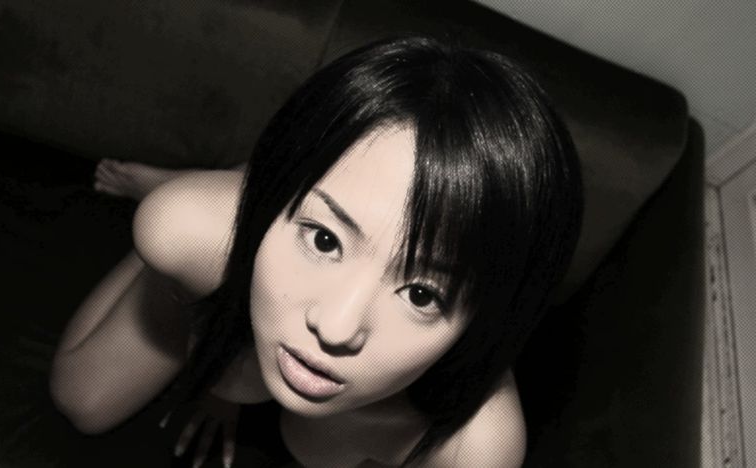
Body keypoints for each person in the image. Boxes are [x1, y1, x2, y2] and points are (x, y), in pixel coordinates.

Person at [49, 35, 583, 468]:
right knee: (83, 402)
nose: (335, 326)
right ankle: (232, 180)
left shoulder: (479, 448)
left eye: (422, 294)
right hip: (214, 237)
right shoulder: (186, 229)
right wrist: (219, 384)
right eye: (325, 239)